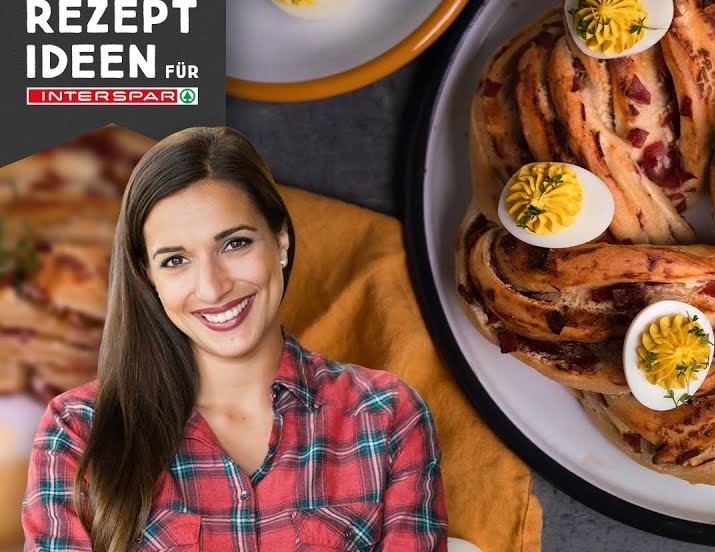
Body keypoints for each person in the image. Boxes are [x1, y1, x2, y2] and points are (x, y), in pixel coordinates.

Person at [22, 127, 447, 551]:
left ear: (280, 240)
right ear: (147, 278)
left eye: (235, 244)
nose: (211, 287)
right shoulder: (78, 432)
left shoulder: (386, 417)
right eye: (175, 260)